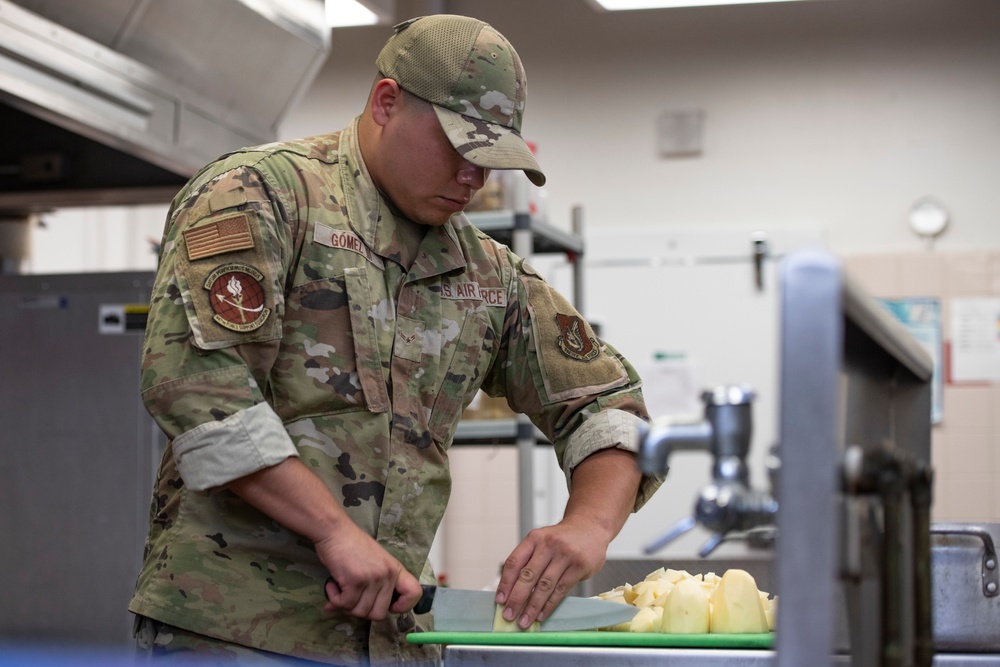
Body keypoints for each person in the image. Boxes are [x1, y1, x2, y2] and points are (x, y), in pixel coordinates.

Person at [129, 13, 661, 666]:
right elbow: (199, 389)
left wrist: (589, 525)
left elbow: (608, 407)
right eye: (460, 148)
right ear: (386, 103)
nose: (474, 178)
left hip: (397, 637)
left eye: (491, 160)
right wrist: (332, 530)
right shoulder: (263, 196)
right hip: (237, 629)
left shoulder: (486, 272)